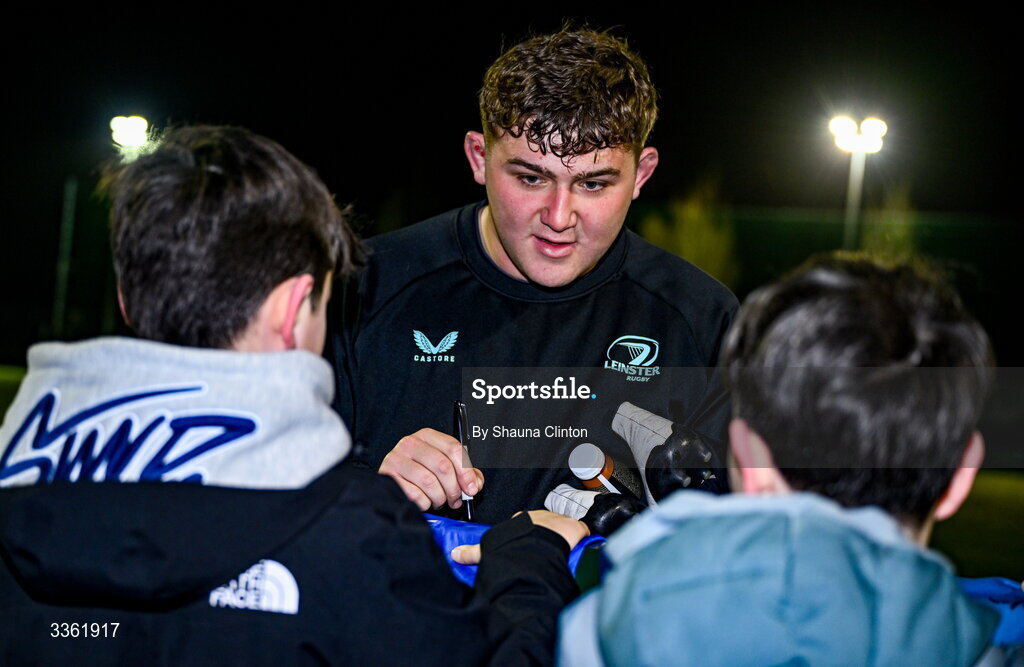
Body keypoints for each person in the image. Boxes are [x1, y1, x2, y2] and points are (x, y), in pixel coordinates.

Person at [0, 126, 586, 665]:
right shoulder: (352, 535)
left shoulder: (19, 490)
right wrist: (531, 558)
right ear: (290, 311)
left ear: (127, 300)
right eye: (325, 304)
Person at [329, 28, 738, 524]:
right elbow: (274, 494)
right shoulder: (365, 288)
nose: (559, 215)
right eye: (531, 178)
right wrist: (371, 484)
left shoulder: (701, 318)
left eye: (593, 183)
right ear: (479, 158)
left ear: (642, 175)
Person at [558, 254, 1011, 665]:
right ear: (961, 475)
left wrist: (528, 563)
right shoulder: (994, 645)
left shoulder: (604, 629)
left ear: (750, 462)